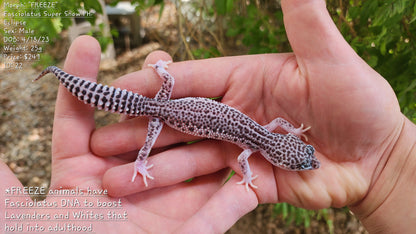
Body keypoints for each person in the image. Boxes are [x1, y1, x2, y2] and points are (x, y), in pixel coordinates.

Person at [1, 0, 415, 232]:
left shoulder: (261, 136)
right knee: (144, 134)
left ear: (282, 150)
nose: (305, 160)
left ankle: (74, 76)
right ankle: (132, 145)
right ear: (278, 155)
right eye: (301, 155)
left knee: (151, 90)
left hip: (169, 103)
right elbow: (245, 159)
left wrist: (297, 133)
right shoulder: (254, 147)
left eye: (299, 159)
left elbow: (273, 133)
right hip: (164, 111)